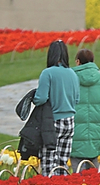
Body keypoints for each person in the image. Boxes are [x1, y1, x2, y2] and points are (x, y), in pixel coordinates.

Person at [33, 39, 80, 176]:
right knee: (62, 162)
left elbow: (40, 98)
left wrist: (33, 98)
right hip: (70, 121)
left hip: (52, 122)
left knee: (49, 162)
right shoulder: (72, 74)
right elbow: (76, 99)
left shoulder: (47, 73)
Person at [71, 48, 100, 168]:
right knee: (94, 171)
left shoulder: (72, 79)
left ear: (78, 61)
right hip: (97, 131)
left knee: (77, 172)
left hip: (76, 131)